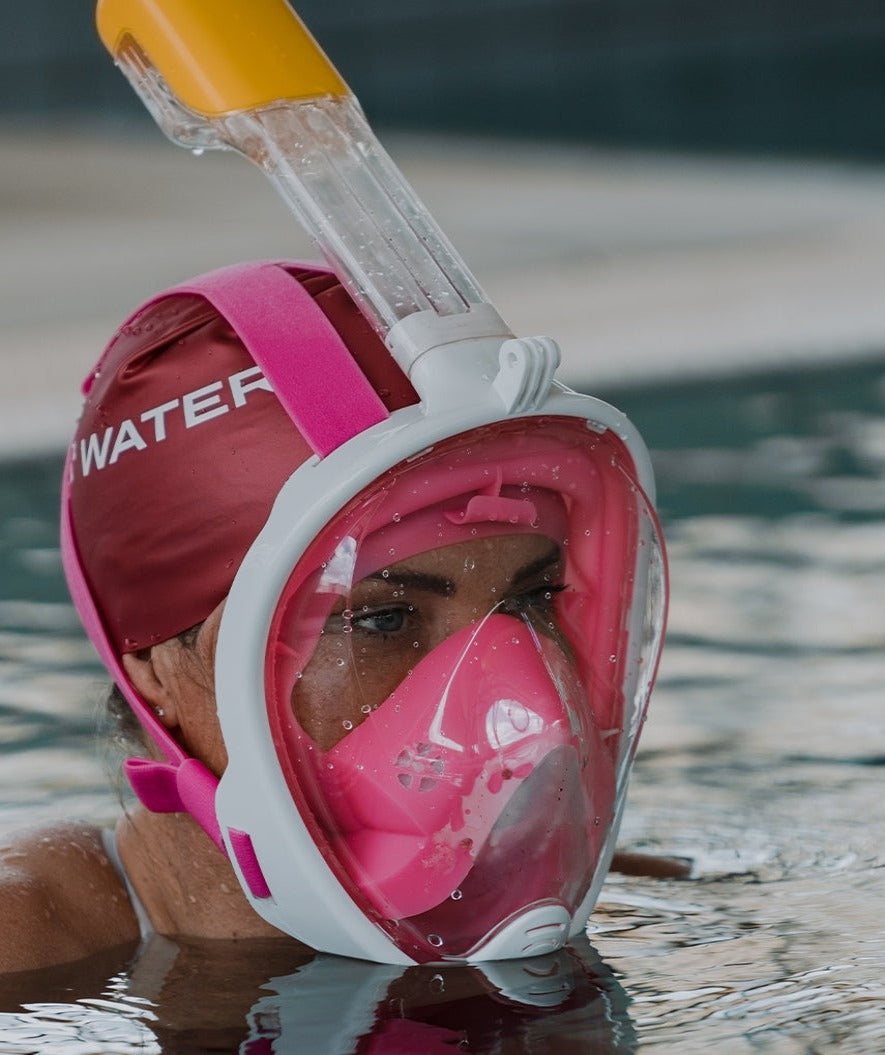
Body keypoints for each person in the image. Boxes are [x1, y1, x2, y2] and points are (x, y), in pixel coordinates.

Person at [0, 259, 667, 974]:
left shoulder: (629, 891)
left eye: (529, 602)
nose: (524, 706)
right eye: (382, 620)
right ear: (152, 662)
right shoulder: (28, 949)